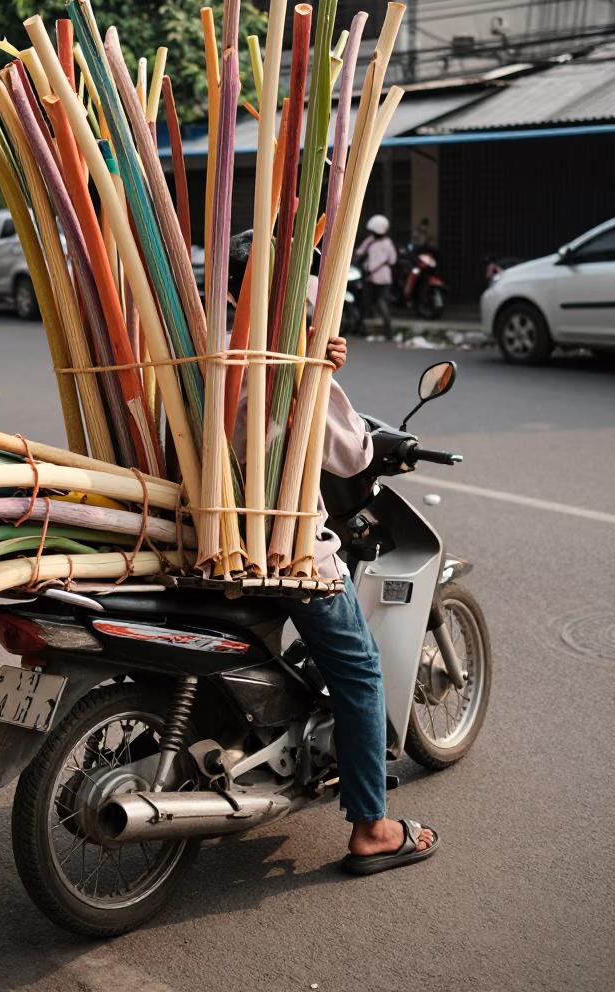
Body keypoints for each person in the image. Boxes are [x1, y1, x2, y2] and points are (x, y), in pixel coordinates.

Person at [228, 233, 438, 875]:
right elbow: (349, 454)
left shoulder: (188, 353)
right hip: (283, 551)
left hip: (200, 544)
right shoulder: (288, 366)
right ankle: (372, 827)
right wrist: (320, 372)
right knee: (360, 672)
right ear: (288, 299)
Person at [355, 214, 397, 340]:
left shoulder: (385, 243)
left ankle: (387, 330)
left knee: (378, 302)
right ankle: (364, 329)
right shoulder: (371, 241)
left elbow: (392, 259)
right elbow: (359, 253)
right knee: (368, 302)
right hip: (373, 278)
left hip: (379, 279)